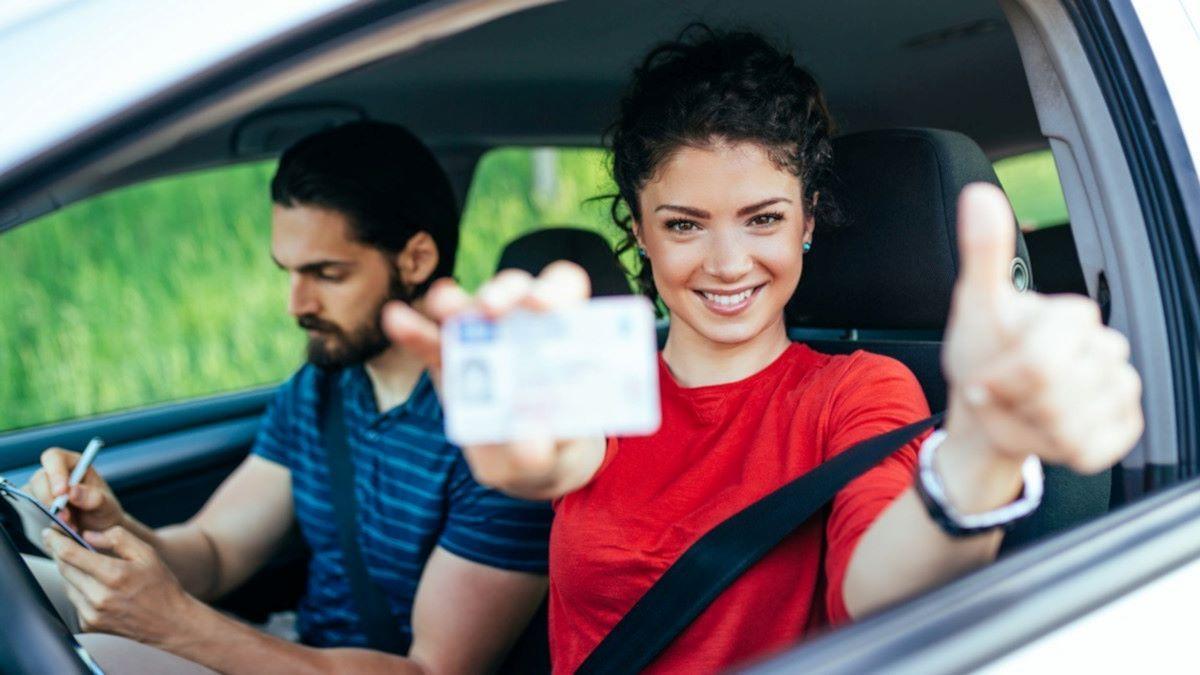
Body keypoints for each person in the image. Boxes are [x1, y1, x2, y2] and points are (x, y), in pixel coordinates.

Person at [384, 29, 1145, 673]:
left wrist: (981, 454)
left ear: (807, 221)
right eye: (684, 224)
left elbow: (879, 592)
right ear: (641, 232)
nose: (725, 263)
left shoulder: (857, 391)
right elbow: (552, 455)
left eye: (762, 219)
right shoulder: (602, 377)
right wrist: (519, 448)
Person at [25, 121, 553, 674]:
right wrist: (111, 528)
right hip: (288, 648)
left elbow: (431, 671)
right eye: (290, 273)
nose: (296, 304)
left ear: (415, 260)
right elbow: (213, 552)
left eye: (326, 273)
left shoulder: (501, 438)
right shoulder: (319, 389)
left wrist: (179, 625)